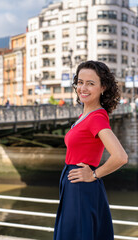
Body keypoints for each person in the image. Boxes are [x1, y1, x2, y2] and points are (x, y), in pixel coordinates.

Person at [53, 60, 128, 240]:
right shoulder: (84, 116)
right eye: (80, 82)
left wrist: (93, 175)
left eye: (90, 83)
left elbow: (121, 157)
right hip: (75, 184)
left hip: (81, 184)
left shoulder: (96, 118)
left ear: (103, 87)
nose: (83, 88)